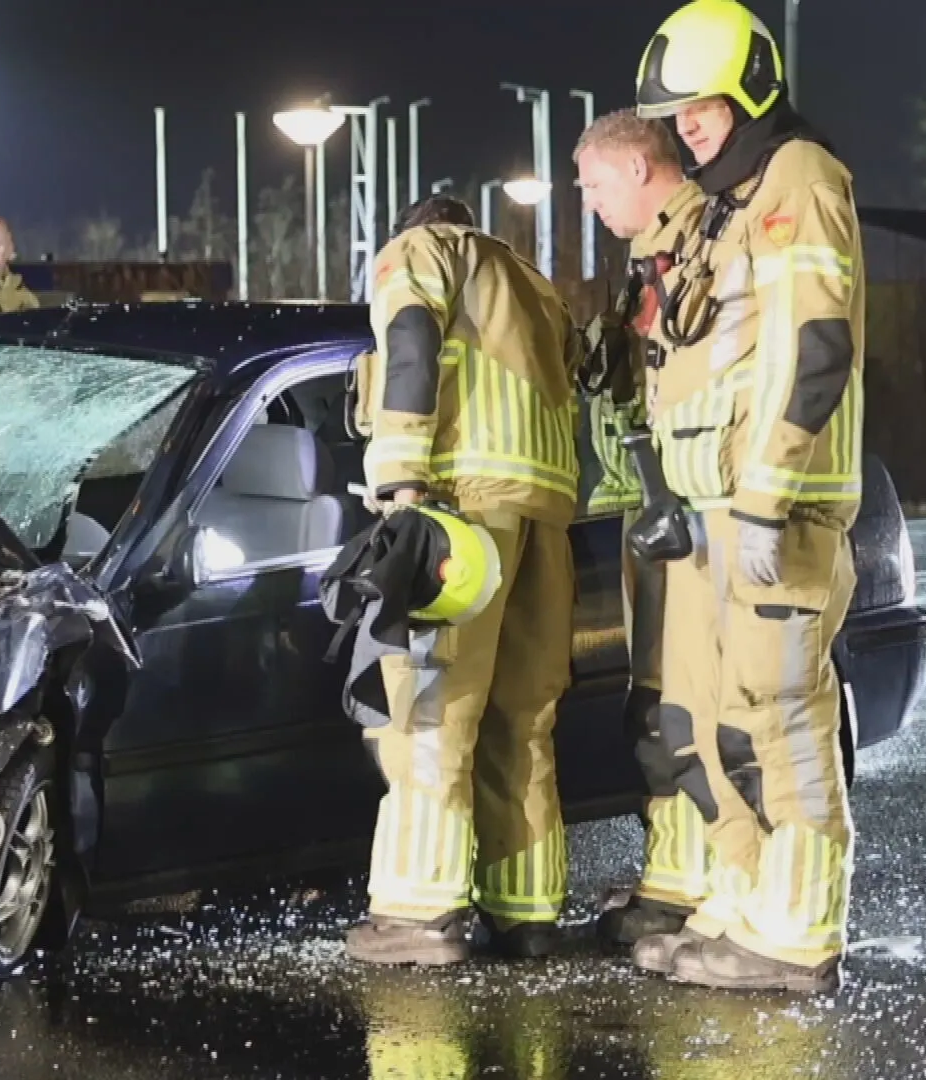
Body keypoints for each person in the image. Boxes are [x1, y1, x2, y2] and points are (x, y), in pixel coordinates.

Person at [626, 0, 864, 993]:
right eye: (678, 115)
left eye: (704, 109)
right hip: (713, 508)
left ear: (753, 91)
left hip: (777, 507)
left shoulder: (801, 178)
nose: (689, 127)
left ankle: (798, 930)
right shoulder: (732, 196)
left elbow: (818, 345)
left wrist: (766, 496)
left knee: (779, 723)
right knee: (711, 723)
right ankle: (744, 907)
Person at [343, 190, 582, 966]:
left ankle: (417, 916)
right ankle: (528, 913)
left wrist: (402, 482)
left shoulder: (422, 252)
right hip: (543, 519)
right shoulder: (533, 284)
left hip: (462, 513)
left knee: (429, 712)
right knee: (523, 719)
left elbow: (409, 342)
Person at [572, 108, 714, 949]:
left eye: (592, 184)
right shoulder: (653, 255)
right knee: (658, 702)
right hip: (653, 505)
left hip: (691, 506)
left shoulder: (701, 241)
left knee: (692, 705)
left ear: (636, 168)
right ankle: (676, 883)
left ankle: (707, 890)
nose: (587, 201)